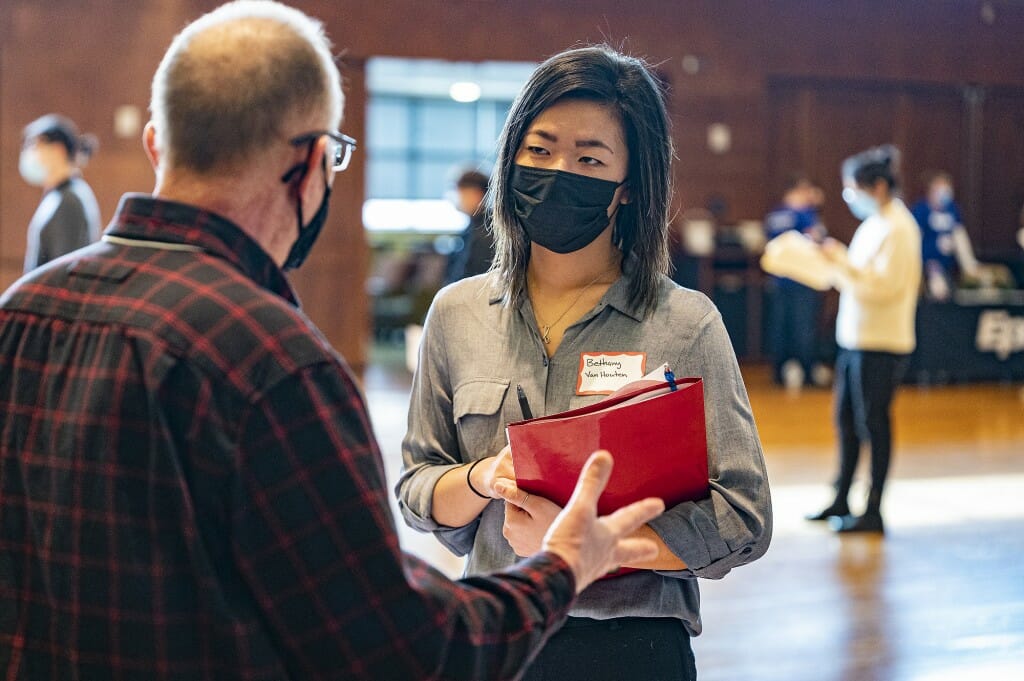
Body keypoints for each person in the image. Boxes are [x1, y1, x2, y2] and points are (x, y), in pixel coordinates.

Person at [0, 4, 667, 679]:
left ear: (153, 144)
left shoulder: (18, 315)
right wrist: (561, 567)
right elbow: (407, 650)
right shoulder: (272, 362)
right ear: (316, 161)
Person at [397, 45, 772, 680]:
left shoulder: (687, 324)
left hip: (634, 649)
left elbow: (743, 516)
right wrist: (487, 477)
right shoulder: (457, 314)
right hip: (497, 639)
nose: (557, 171)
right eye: (539, 151)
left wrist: (590, 552)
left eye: (588, 158)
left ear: (627, 189)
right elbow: (415, 491)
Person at [805, 145, 922, 534]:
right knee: (847, 421)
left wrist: (839, 262)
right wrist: (835, 260)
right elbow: (860, 275)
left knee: (874, 423)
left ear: (879, 186)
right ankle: (841, 496)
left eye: (854, 189)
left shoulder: (900, 228)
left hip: (882, 342)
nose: (850, 198)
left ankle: (873, 508)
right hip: (857, 339)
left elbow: (883, 287)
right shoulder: (876, 224)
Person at [764, 173, 827, 388]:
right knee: (803, 329)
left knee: (780, 328)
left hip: (780, 281)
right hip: (802, 282)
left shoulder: (775, 214)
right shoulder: (804, 214)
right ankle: (808, 373)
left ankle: (779, 373)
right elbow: (817, 237)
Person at [19, 114, 102, 272]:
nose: (29, 154)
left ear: (58, 150)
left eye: (34, 146)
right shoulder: (59, 196)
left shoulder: (70, 200)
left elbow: (63, 273)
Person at [910, 171, 979, 300]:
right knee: (938, 289)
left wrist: (969, 265)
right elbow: (915, 238)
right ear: (931, 190)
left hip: (949, 263)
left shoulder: (953, 209)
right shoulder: (921, 210)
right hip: (929, 263)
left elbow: (961, 238)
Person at [444, 168, 493, 284]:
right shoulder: (472, 227)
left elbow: (472, 275)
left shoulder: (487, 231)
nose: (457, 199)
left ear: (476, 194)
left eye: (460, 193)